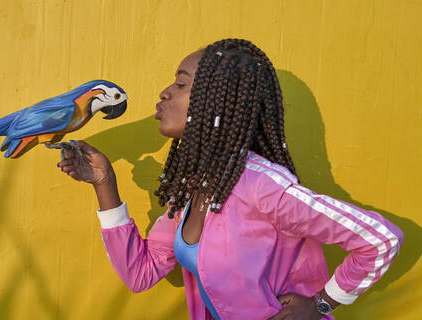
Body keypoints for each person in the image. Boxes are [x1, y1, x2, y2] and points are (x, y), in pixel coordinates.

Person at [56, 39, 404, 320]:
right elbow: (139, 274)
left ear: (216, 99)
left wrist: (322, 304)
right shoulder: (192, 190)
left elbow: (381, 239)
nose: (164, 93)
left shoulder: (261, 185)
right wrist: (104, 184)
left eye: (181, 84)